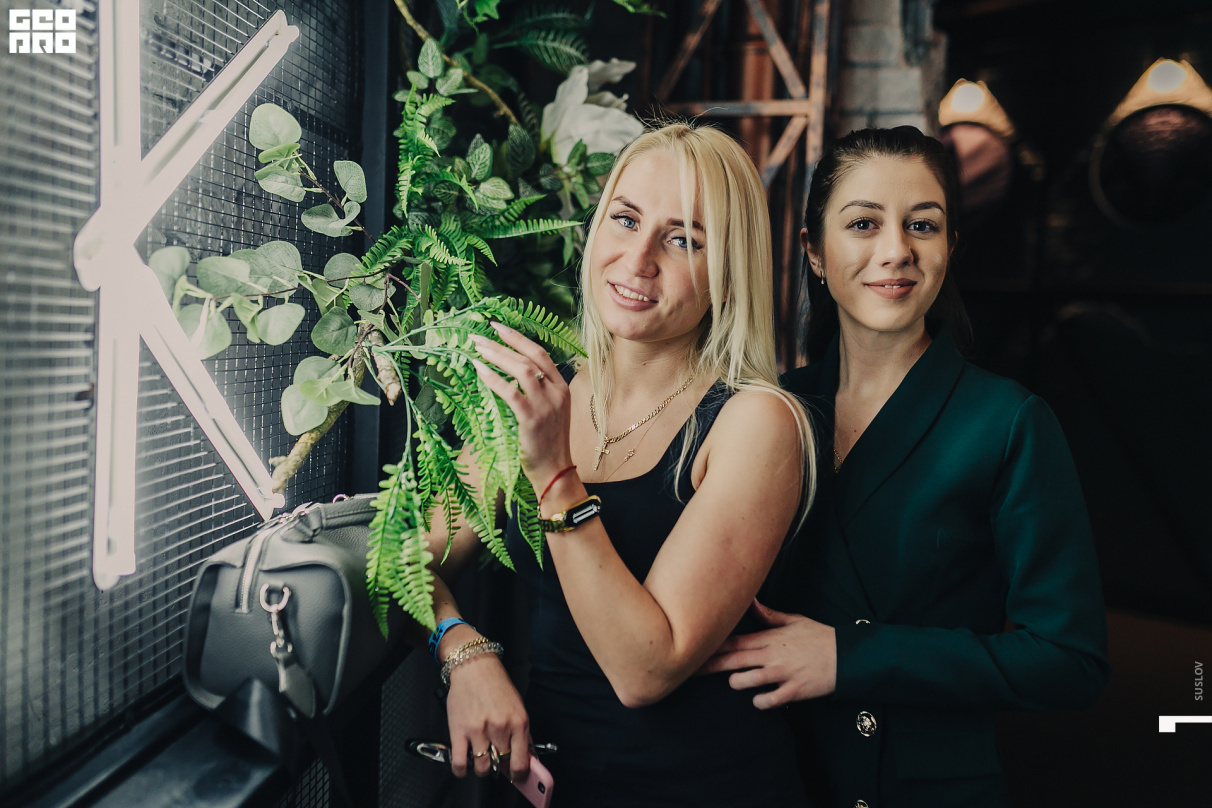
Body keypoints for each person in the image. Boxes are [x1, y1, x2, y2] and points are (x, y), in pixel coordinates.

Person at [703, 126, 1110, 808]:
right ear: (814, 251)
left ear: (950, 247)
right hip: (773, 772)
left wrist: (852, 657)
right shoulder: (769, 409)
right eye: (863, 223)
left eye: (923, 225)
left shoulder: (1008, 421)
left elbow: (1072, 662)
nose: (897, 250)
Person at [414, 122, 817, 807]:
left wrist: (553, 474)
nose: (638, 260)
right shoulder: (538, 397)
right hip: (556, 788)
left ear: (728, 273)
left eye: (684, 239)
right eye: (626, 220)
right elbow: (405, 566)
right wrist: (463, 652)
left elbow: (645, 670)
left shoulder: (756, 421)